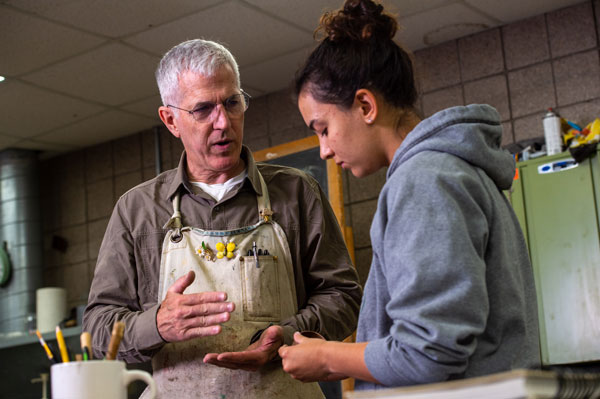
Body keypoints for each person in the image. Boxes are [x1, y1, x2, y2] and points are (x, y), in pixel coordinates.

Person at [278, 0, 541, 391]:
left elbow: (428, 353)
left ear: (365, 105)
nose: (324, 151)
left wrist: (328, 358)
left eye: (323, 128)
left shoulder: (424, 180)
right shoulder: (455, 168)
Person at [82, 38, 362, 399]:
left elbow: (344, 296)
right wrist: (157, 324)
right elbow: (97, 330)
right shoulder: (137, 211)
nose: (223, 122)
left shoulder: (297, 193)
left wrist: (287, 333)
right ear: (171, 120)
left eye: (232, 102)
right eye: (202, 109)